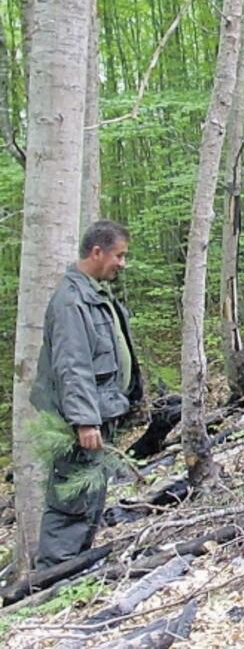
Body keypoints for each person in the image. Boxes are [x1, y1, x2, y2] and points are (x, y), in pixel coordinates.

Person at [31, 220, 143, 569]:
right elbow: (72, 365)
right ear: (97, 252)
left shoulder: (94, 293)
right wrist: (84, 420)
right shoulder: (71, 301)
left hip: (98, 413)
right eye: (119, 255)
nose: (122, 264)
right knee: (71, 501)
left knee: (90, 495)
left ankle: (74, 567)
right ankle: (53, 574)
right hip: (77, 422)